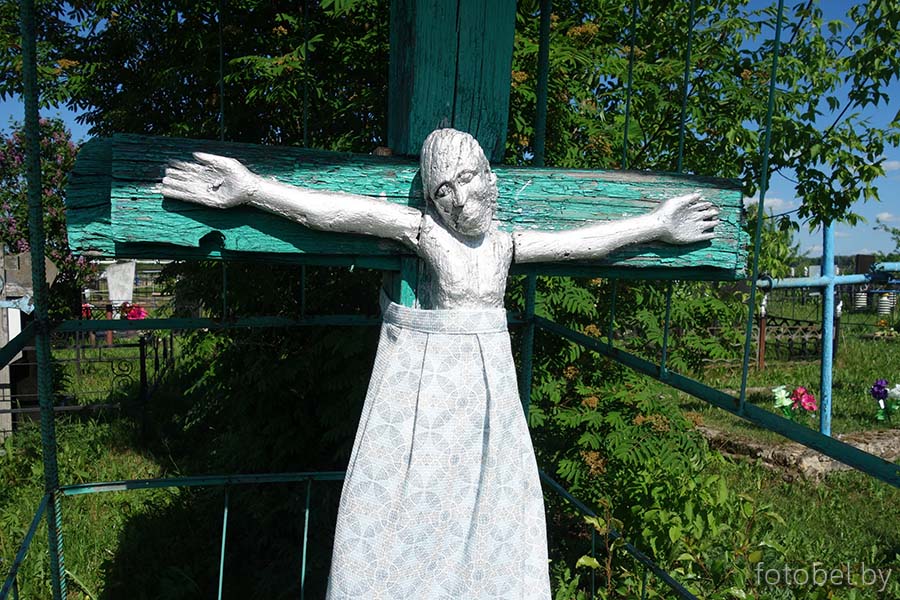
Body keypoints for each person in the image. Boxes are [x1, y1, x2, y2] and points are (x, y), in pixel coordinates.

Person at [163, 128, 718, 599]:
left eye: (471, 177)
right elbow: (340, 214)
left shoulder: (504, 247)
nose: (463, 197)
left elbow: (584, 243)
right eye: (446, 188)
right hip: (424, 385)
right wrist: (254, 189)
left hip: (489, 398)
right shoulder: (426, 232)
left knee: (496, 507)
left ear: (485, 179)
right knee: (403, 506)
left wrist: (656, 224)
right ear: (435, 199)